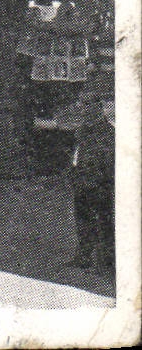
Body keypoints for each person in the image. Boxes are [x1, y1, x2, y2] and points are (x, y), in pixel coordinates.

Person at [69, 88, 115, 270]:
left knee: (102, 220)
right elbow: (77, 154)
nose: (82, 108)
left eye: (87, 104)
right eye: (81, 104)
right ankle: (84, 256)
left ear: (98, 107)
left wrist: (99, 180)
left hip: (98, 182)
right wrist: (73, 173)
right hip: (81, 179)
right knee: (82, 218)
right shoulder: (82, 130)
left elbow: (107, 160)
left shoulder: (107, 132)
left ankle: (106, 262)